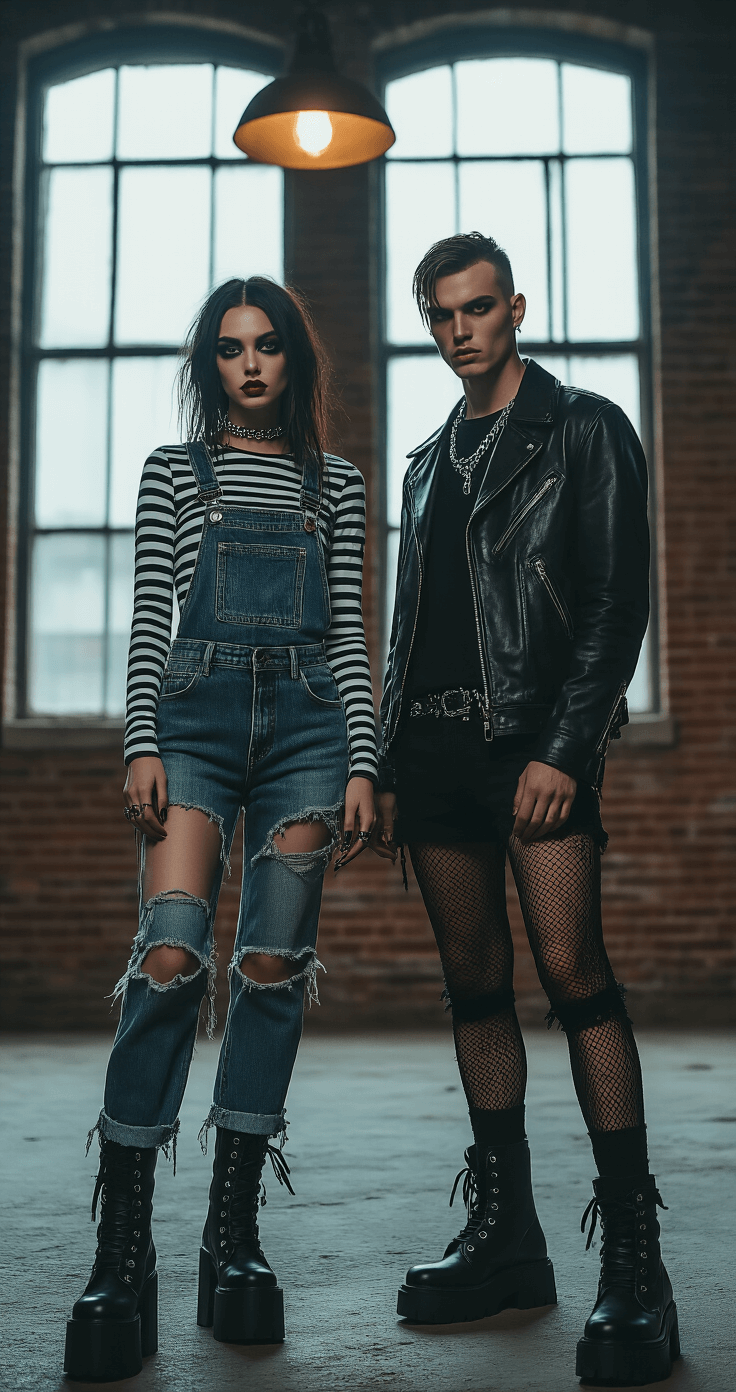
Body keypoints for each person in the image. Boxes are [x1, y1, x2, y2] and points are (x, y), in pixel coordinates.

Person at [374, 233, 678, 1385]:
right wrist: (393, 759)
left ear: (513, 309)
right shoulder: (422, 463)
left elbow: (614, 607)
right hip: (437, 754)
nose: (459, 329)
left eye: (477, 309)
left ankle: (634, 1263)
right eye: (440, 313)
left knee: (575, 976)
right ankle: (509, 1238)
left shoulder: (585, 428)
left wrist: (565, 747)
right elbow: (411, 628)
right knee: (475, 988)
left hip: (530, 752)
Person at [64, 277, 377, 1382]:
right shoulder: (171, 473)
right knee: (169, 956)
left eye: (270, 348)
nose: (250, 366)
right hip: (191, 724)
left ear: (294, 361)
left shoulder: (333, 485)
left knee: (272, 967)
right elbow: (152, 615)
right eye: (231, 349)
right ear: (210, 365)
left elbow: (346, 636)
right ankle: (123, 1254)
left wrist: (361, 758)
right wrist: (139, 740)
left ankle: (230, 1238)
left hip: (303, 734)